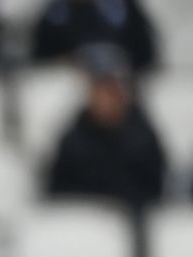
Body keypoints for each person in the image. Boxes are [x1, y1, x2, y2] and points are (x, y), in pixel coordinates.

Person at [44, 50, 166, 215]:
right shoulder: (72, 139)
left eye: (113, 90)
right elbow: (58, 191)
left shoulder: (144, 137)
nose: (107, 99)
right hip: (82, 221)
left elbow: (155, 189)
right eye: (101, 90)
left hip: (130, 220)